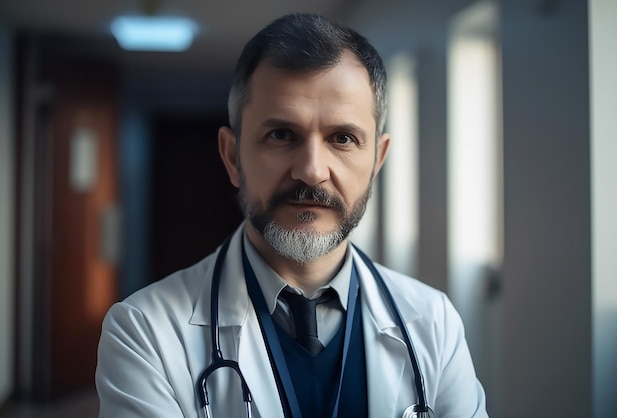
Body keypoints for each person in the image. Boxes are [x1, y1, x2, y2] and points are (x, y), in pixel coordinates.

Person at [96, 13, 488, 418]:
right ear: (232, 157)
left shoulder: (433, 324)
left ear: (377, 159)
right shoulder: (144, 333)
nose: (312, 170)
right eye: (281, 135)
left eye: (343, 138)